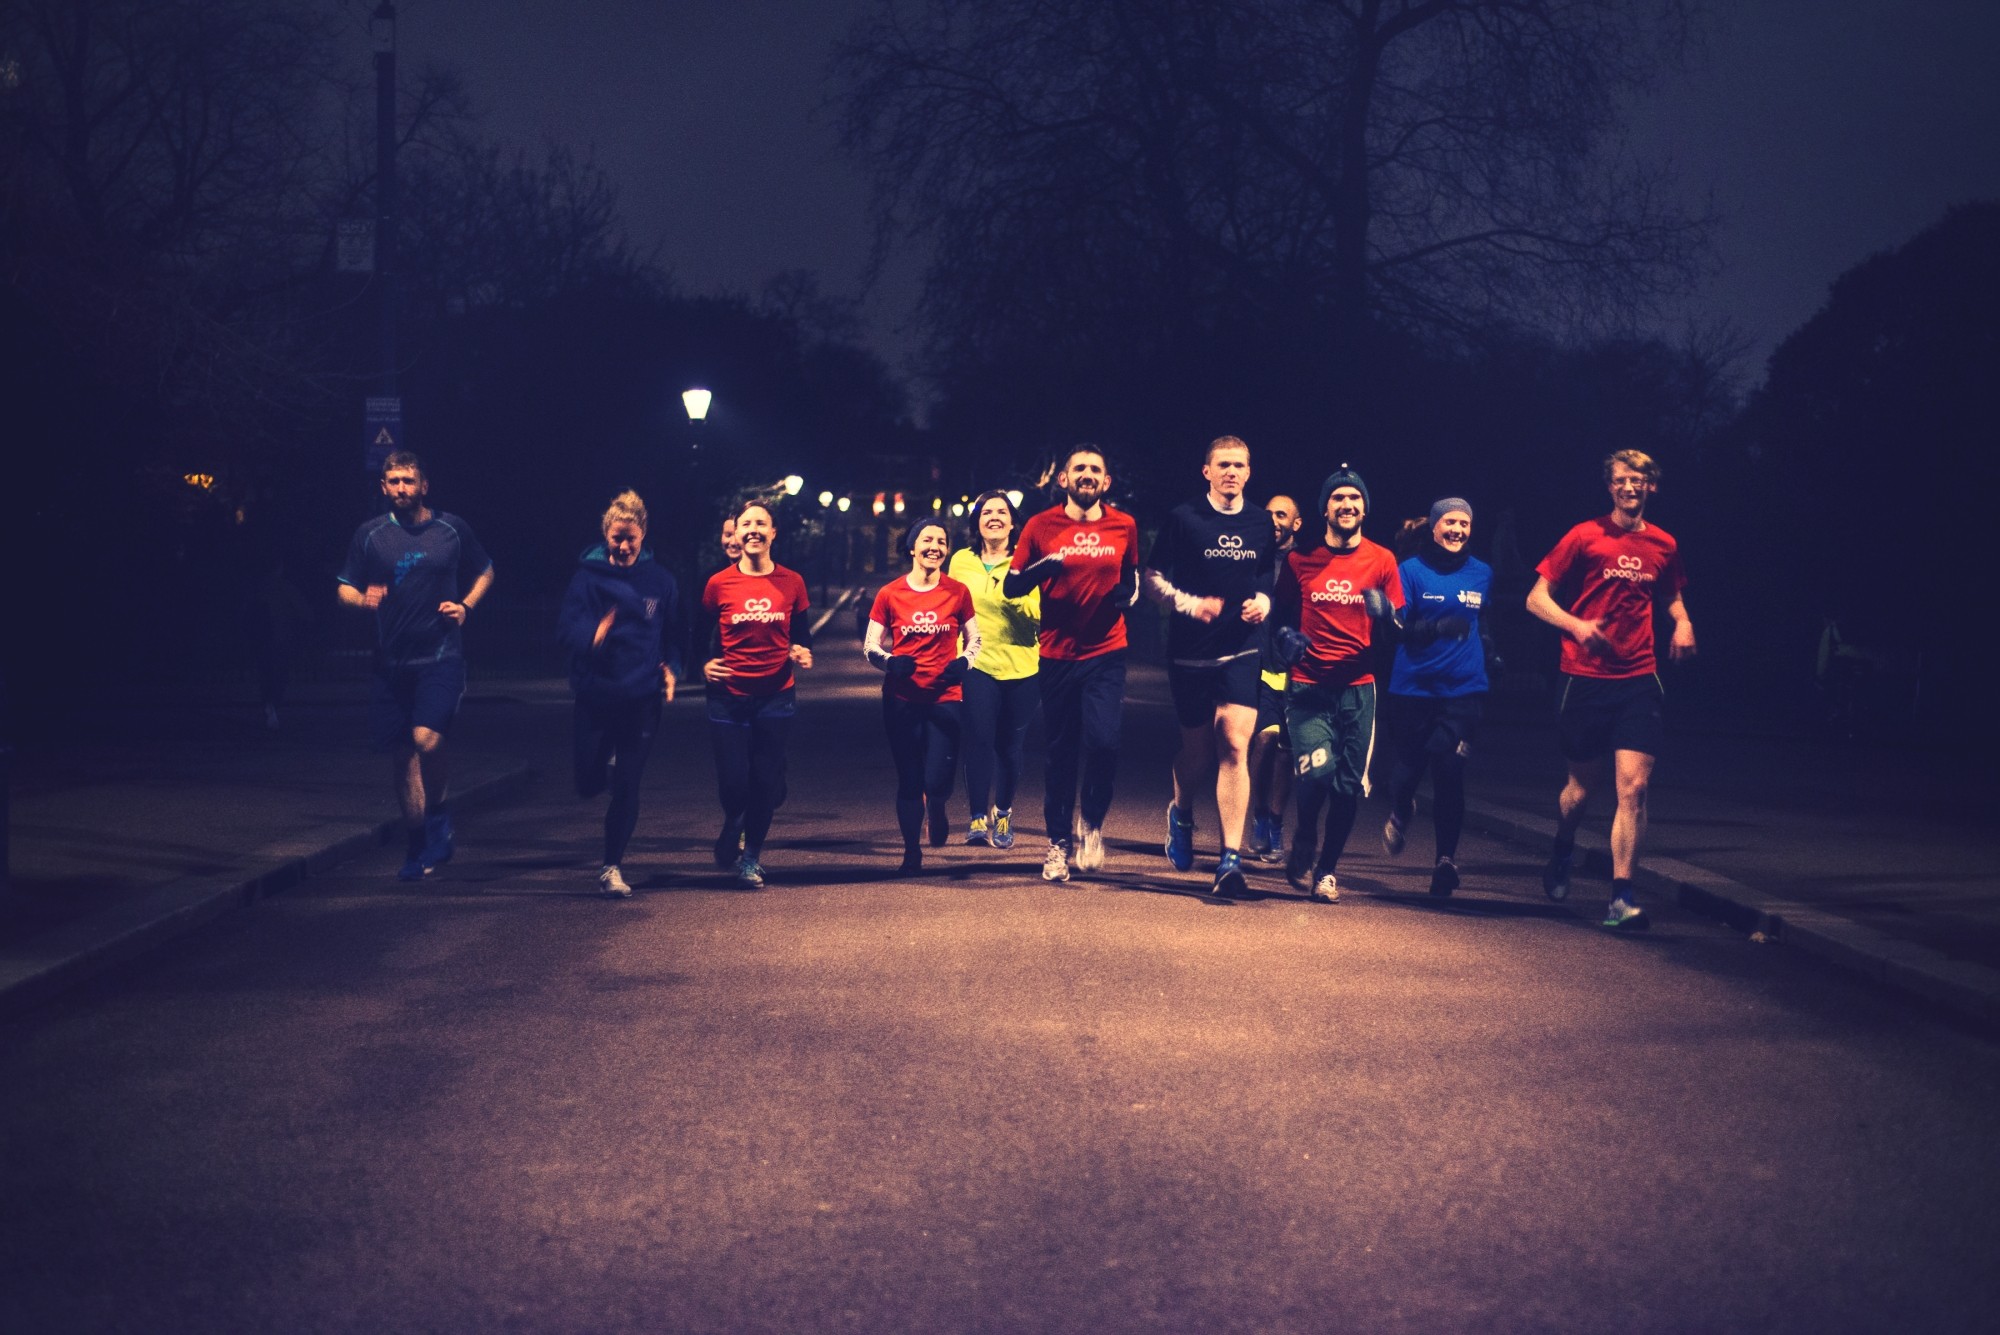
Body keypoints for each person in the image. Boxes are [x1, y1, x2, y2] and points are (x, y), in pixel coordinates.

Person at [1525, 449, 1695, 930]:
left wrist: (1682, 624)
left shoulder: (1664, 543)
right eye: (1622, 480)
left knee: (1635, 789)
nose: (1630, 487)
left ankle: (1621, 898)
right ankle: (1563, 847)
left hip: (1639, 678)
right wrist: (1577, 626)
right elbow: (1535, 599)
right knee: (1582, 788)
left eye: (1639, 479)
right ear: (1611, 487)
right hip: (1583, 678)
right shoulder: (1585, 535)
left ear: (1651, 487)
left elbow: (1672, 598)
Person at [336, 451, 494, 881]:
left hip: (441, 657)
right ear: (383, 487)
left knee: (426, 739)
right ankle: (416, 846)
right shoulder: (369, 535)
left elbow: (485, 570)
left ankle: (439, 816)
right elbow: (344, 589)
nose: (401, 488)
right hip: (391, 663)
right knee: (403, 757)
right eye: (393, 482)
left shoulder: (451, 529)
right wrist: (362, 599)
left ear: (424, 485)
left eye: (408, 480)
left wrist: (465, 606)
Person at [1141, 435, 1276, 897]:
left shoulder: (1261, 522)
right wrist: (1189, 604)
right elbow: (1152, 578)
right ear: (1207, 471)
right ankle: (1181, 811)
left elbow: (1264, 575)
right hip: (1190, 652)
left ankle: (1229, 860)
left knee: (1235, 745)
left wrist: (1263, 601)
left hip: (1241, 648)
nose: (1231, 472)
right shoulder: (1184, 518)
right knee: (1197, 754)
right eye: (1223, 465)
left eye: (1239, 465)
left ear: (1249, 471)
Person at [1006, 445, 1141, 882]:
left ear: (1106, 482)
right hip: (1057, 653)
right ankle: (1058, 843)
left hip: (1106, 651)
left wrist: (1129, 596)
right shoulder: (1040, 525)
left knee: (1104, 742)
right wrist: (1047, 566)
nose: (1087, 474)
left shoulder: (1125, 525)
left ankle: (1092, 824)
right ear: (1062, 479)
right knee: (1060, 751)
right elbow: (1012, 585)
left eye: (1095, 470)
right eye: (1078, 468)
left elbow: (1132, 578)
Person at [1270, 465, 1401, 903]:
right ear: (1325, 508)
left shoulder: (1382, 560)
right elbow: (1277, 615)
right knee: (1318, 774)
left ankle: (1326, 870)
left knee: (1348, 787)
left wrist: (1388, 619)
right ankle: (1305, 832)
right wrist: (1284, 639)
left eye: (1355, 499)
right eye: (1339, 499)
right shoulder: (1300, 560)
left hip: (1359, 691)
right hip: (1308, 688)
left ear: (1365, 508)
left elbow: (1398, 622)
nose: (1347, 505)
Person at [556, 491, 680, 898]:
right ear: (605, 536)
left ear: (643, 535)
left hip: (642, 697)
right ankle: (600, 769)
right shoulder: (586, 579)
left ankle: (612, 866)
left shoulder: (660, 582)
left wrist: (672, 669)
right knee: (588, 781)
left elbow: (676, 635)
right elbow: (564, 631)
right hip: (595, 695)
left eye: (631, 538)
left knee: (628, 783)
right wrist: (592, 635)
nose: (624, 547)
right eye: (616, 538)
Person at [1380, 498, 1491, 897]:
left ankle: (1445, 861)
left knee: (1449, 770)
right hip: (1413, 690)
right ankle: (1401, 807)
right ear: (1433, 527)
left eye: (1464, 523)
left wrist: (1492, 653)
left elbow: (1482, 622)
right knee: (1410, 768)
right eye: (1450, 522)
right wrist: (1437, 627)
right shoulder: (1409, 571)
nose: (1457, 530)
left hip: (1463, 692)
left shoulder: (1482, 573)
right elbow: (1395, 629)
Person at [701, 501, 814, 888]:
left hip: (775, 695)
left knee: (764, 782)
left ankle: (750, 859)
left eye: (760, 524)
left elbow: (801, 632)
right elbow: (699, 634)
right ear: (736, 533)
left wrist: (801, 650)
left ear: (772, 533)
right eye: (745, 524)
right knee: (734, 783)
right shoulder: (718, 583)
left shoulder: (792, 582)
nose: (753, 530)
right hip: (727, 696)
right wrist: (703, 663)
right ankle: (734, 819)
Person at [867, 517, 981, 872]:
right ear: (912, 547)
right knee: (910, 777)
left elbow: (975, 638)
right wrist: (890, 663)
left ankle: (938, 804)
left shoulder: (958, 591)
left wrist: (964, 662)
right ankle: (911, 850)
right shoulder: (890, 593)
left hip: (946, 697)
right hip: (902, 699)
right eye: (928, 540)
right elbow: (871, 645)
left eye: (942, 541)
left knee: (937, 780)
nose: (935, 546)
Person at [947, 490, 1039, 849]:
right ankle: (976, 819)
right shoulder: (960, 562)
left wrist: (1019, 604)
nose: (994, 517)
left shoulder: (1028, 561)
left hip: (1022, 664)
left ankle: (1003, 811)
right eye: (987, 512)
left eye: (1002, 512)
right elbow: (948, 606)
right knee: (978, 739)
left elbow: (1044, 611)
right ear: (977, 522)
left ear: (1013, 522)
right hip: (976, 662)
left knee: (1009, 746)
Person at [1248, 493, 1303, 863]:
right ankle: (1257, 815)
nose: (1273, 519)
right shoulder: (1253, 557)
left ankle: (1276, 823)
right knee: (1263, 742)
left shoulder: (1305, 563)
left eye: (1281, 514)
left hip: (1298, 670)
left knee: (1287, 754)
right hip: (1260, 666)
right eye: (1268, 513)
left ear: (1296, 523)